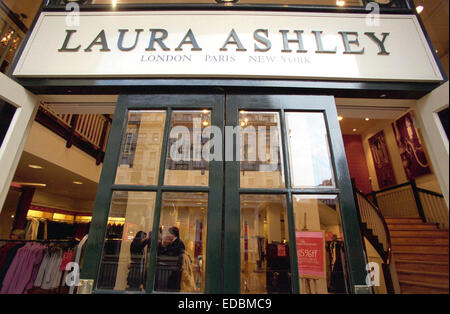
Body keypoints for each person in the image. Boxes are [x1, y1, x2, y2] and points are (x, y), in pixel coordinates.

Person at [156, 226, 185, 291]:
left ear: (172, 234)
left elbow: (172, 254)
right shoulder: (172, 242)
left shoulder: (178, 243)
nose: (167, 235)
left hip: (172, 270)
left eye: (168, 233)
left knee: (170, 287)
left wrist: (165, 246)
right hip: (168, 269)